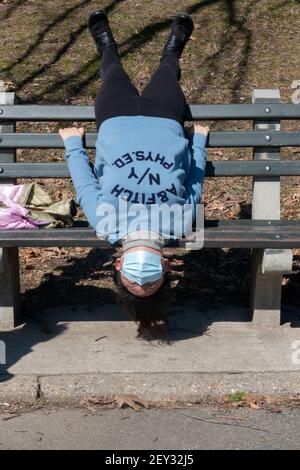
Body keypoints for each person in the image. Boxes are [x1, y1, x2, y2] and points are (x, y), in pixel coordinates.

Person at [59, 10, 209, 338]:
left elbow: (85, 183)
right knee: (168, 72)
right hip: (165, 120)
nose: (142, 275)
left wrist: (73, 145)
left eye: (133, 278)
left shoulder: (106, 224)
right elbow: (195, 180)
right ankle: (173, 47)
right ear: (167, 266)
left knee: (113, 73)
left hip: (115, 119)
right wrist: (198, 141)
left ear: (117, 266)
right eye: (151, 279)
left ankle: (106, 44)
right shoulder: (180, 224)